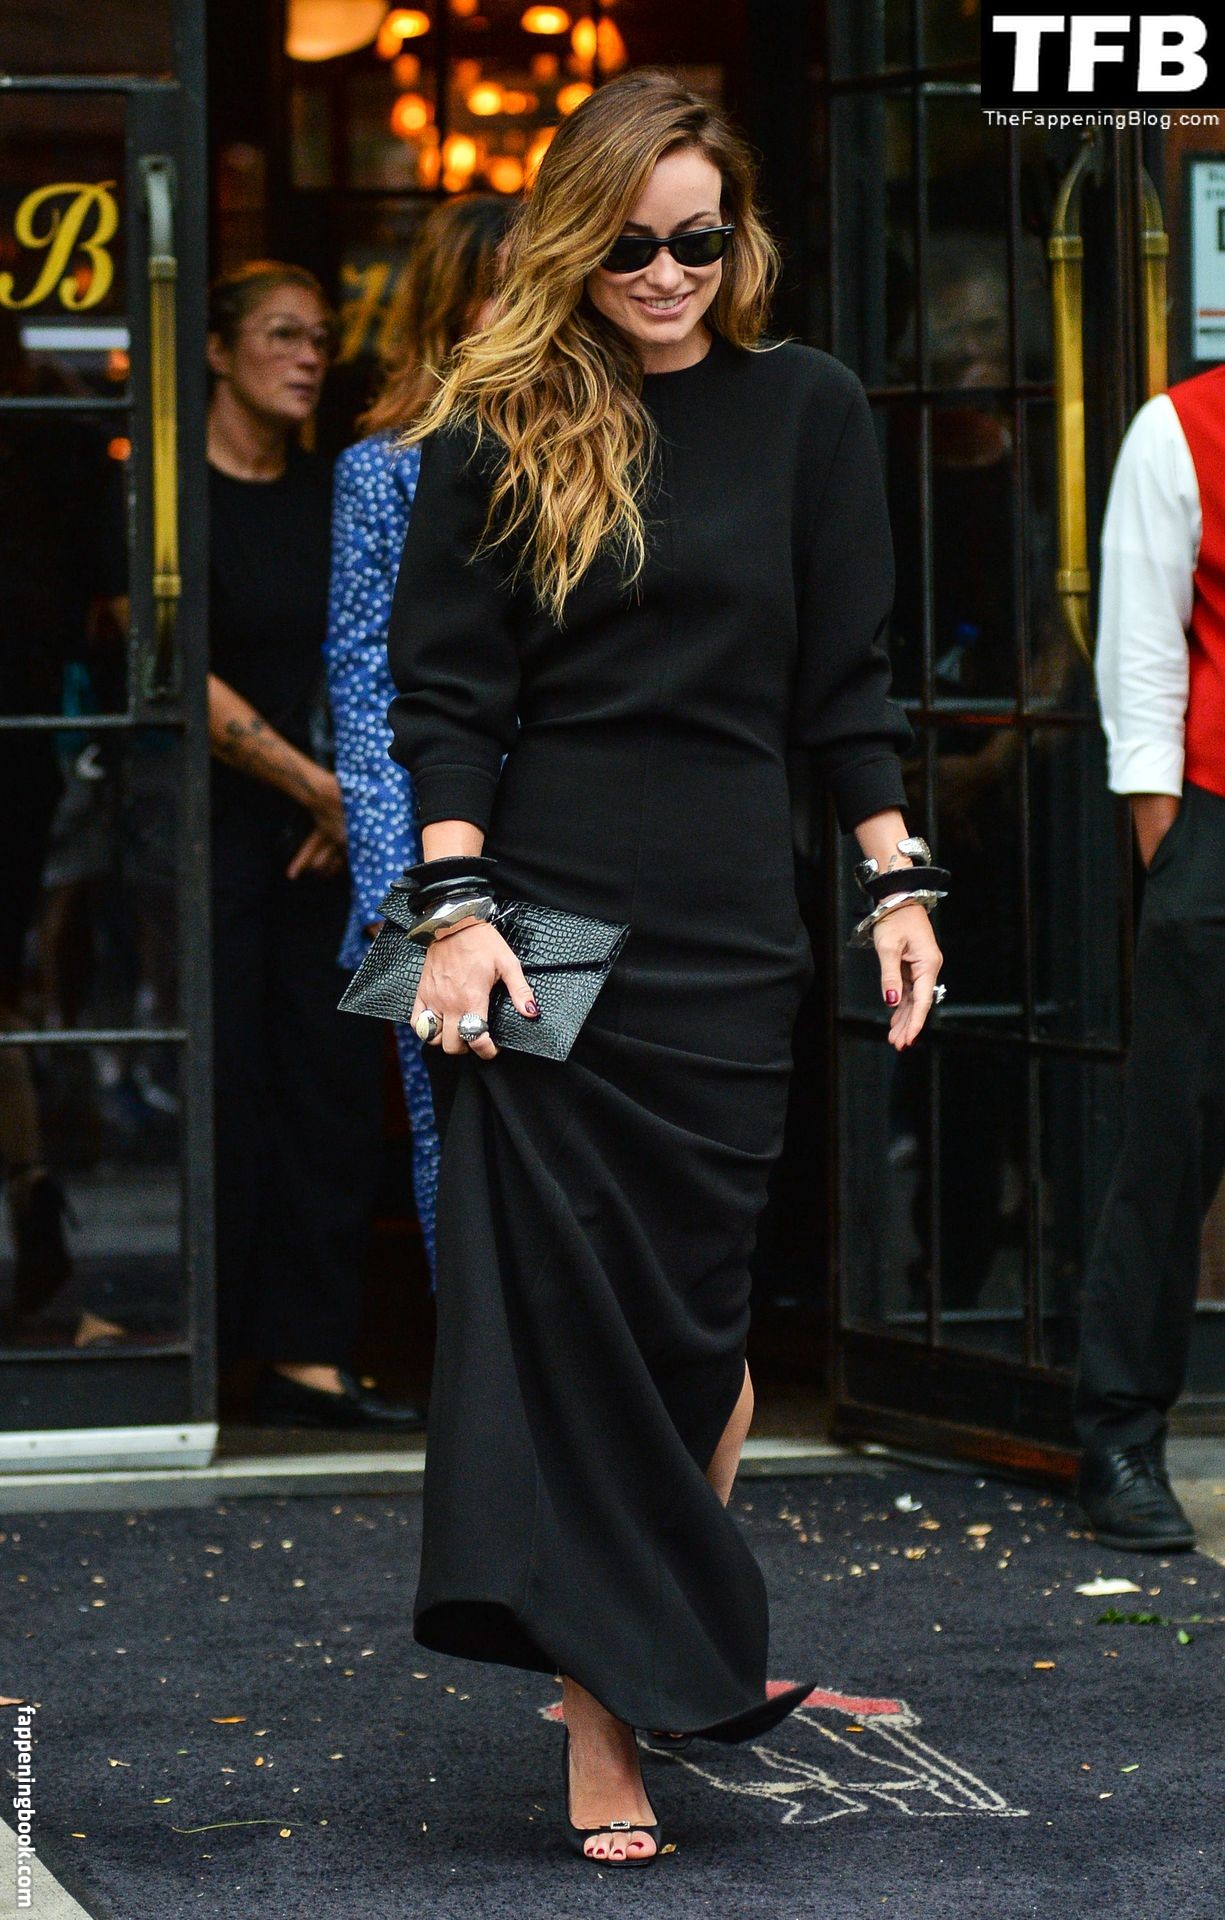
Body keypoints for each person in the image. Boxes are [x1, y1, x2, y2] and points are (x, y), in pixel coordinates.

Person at [381, 70, 944, 1864]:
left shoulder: (809, 410)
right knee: (572, 1339)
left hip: (727, 932)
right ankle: (609, 1716)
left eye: (700, 241)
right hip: (542, 928)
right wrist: (455, 911)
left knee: (702, 1347)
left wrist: (897, 887)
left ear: (739, 238)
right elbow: (445, 698)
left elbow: (845, 689)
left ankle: (630, 1649)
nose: (668, 275)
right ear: (574, 241)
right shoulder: (498, 422)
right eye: (630, 246)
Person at [204, 261, 422, 1430]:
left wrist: (354, 810)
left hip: (339, 843)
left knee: (333, 1087)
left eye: (321, 339)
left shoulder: (337, 487)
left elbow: (367, 645)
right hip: (219, 833)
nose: (306, 358)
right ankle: (206, 1352)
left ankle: (309, 1357)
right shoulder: (171, 499)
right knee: (224, 1084)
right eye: (281, 335)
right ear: (217, 351)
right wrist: (319, 792)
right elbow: (168, 667)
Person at [325, 195, 514, 1279]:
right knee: (455, 1131)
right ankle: (478, 1378)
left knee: (573, 1143)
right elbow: (364, 690)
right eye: (500, 288)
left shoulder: (599, 446)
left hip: (578, 837)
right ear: (450, 307)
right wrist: (399, 898)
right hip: (431, 863)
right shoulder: (382, 469)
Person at [1075, 360, 1225, 1550]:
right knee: (1172, 1139)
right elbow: (1140, 644)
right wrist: (1165, 834)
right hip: (1218, 819)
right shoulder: (1181, 427)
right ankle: (1120, 1436)